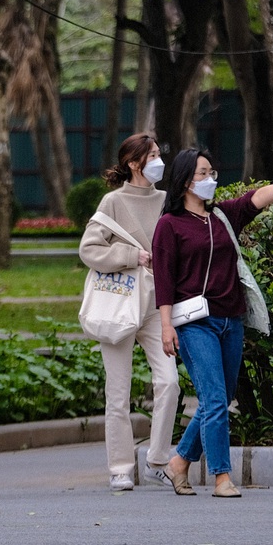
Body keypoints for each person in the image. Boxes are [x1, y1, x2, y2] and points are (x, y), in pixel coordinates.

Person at [152, 149, 273, 498]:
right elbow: (164, 280)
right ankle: (221, 478)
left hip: (231, 320)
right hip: (194, 323)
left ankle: (178, 464)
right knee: (214, 398)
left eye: (212, 171)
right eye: (203, 173)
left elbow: (255, 199)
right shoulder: (169, 225)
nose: (211, 178)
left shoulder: (221, 217)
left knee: (222, 397)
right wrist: (166, 326)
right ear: (186, 181)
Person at [78, 133, 180, 491]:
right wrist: (129, 256)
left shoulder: (169, 201)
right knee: (117, 393)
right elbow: (89, 250)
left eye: (158, 153)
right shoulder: (113, 202)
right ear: (134, 164)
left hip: (157, 307)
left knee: (169, 382)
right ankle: (120, 467)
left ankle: (157, 460)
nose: (158, 161)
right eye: (151, 155)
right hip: (119, 306)